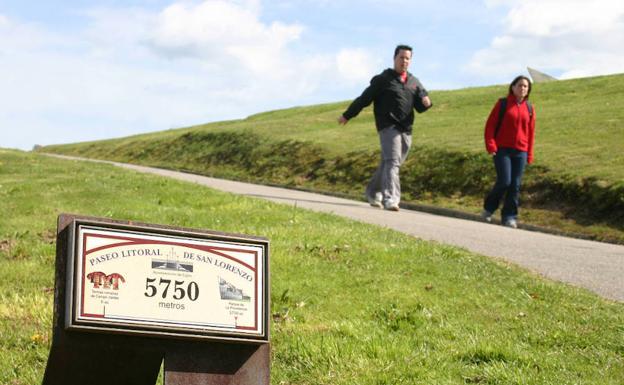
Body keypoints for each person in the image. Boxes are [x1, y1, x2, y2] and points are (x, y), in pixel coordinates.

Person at [338, 44, 431, 211]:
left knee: (390, 163)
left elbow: (421, 104)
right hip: (388, 126)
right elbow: (364, 99)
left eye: (407, 58)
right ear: (394, 58)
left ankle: (373, 192)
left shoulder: (414, 82)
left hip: (406, 128)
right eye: (401, 57)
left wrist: (426, 102)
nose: (404, 61)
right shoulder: (383, 79)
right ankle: (391, 199)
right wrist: (347, 115)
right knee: (393, 162)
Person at [481, 75, 536, 228]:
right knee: (504, 181)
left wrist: (529, 154)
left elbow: (531, 133)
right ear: (513, 87)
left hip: (521, 151)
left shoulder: (530, 108)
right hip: (502, 149)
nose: (522, 88)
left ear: (528, 90)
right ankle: (488, 209)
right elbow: (490, 126)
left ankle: (509, 216)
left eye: (525, 86)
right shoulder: (503, 104)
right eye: (519, 85)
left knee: (515, 185)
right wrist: (491, 145)